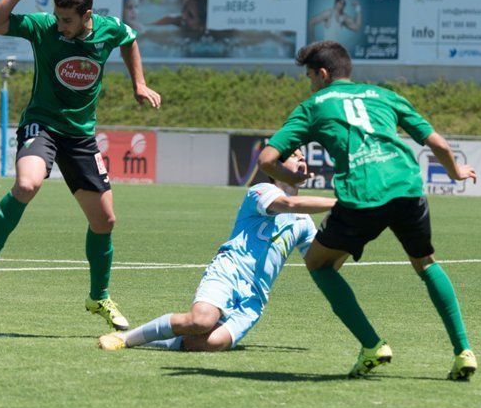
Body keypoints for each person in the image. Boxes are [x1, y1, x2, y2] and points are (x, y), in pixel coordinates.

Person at [258, 40, 478, 380]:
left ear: (322, 73)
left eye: (309, 77)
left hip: (363, 196)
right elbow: (438, 143)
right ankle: (463, 351)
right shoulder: (384, 95)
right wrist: (456, 172)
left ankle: (373, 345)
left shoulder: (314, 105)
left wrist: (291, 176)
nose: (310, 84)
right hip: (407, 186)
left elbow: (267, 160)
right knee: (425, 263)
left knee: (318, 263)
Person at [0, 0, 162, 332]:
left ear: (87, 14)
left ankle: (99, 297)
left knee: (105, 220)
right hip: (42, 125)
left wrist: (138, 83)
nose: (61, 24)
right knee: (27, 184)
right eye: (57, 16)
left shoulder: (107, 29)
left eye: (68, 20)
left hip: (80, 137)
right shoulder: (44, 28)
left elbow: (130, 39)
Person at [99, 150, 336, 352]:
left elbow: (322, 263)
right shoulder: (261, 191)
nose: (302, 161)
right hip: (229, 270)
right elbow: (289, 204)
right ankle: (126, 338)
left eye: (304, 158)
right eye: (296, 157)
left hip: (255, 297)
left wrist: (352, 233)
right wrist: (340, 203)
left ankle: (166, 341)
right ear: (277, 168)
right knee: (201, 321)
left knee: (213, 343)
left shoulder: (305, 222)